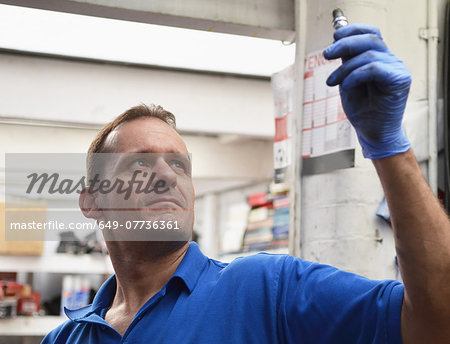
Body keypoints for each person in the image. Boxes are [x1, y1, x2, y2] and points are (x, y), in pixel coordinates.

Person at [42, 24, 450, 343]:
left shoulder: (268, 289)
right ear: (92, 201)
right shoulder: (67, 338)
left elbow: (438, 320)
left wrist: (388, 146)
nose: (167, 175)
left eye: (179, 166)